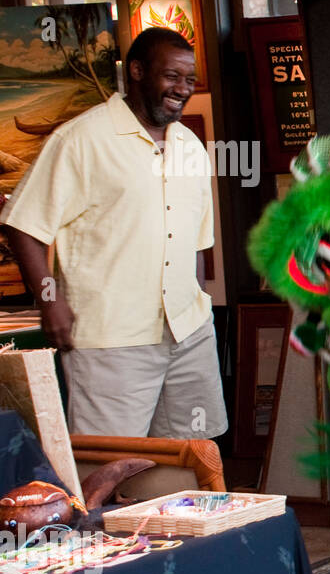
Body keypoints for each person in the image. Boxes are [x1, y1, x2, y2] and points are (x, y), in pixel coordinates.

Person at [0, 27, 228, 439]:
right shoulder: (81, 139)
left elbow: (196, 240)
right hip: (111, 337)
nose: (182, 88)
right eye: (171, 76)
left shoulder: (190, 145)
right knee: (111, 462)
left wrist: (198, 303)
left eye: (189, 79)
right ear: (137, 71)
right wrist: (50, 301)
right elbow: (22, 223)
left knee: (190, 454)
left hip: (189, 332)